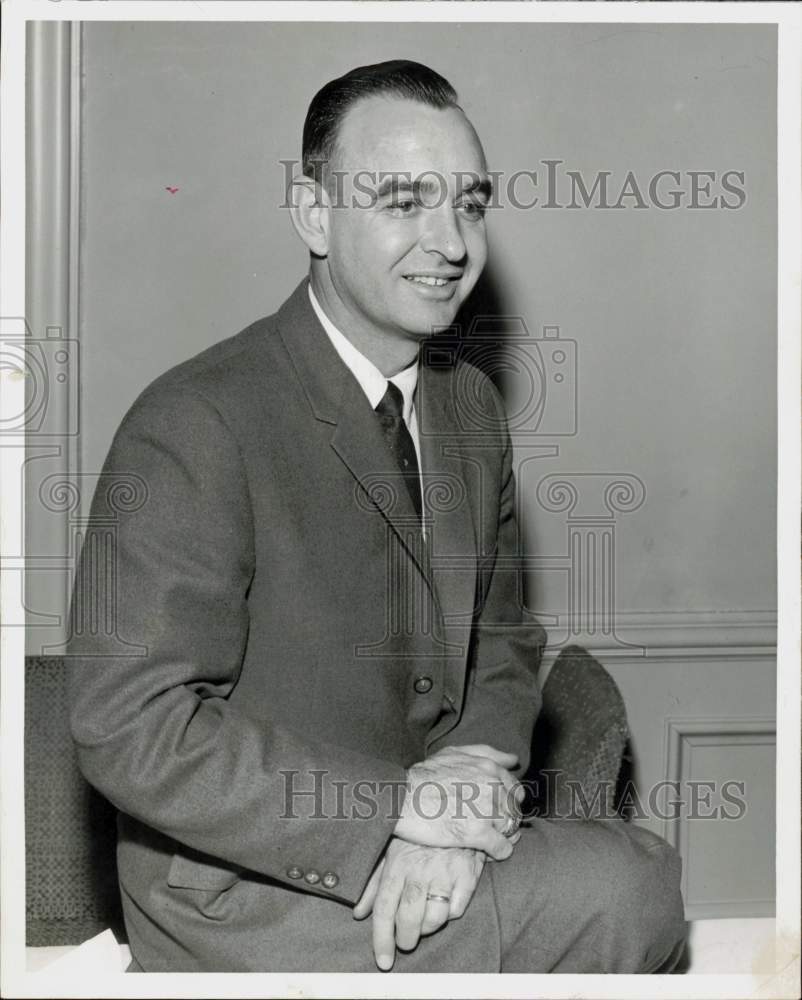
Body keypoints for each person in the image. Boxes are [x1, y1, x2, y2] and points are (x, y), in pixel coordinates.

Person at [66, 59, 687, 973]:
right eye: (404, 200)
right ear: (313, 214)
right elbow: (130, 724)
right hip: (244, 894)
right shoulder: (195, 421)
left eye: (470, 204)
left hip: (421, 854)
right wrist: (396, 808)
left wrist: (465, 786)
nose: (451, 242)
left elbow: (503, 637)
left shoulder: (469, 406)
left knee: (634, 886)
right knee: (637, 889)